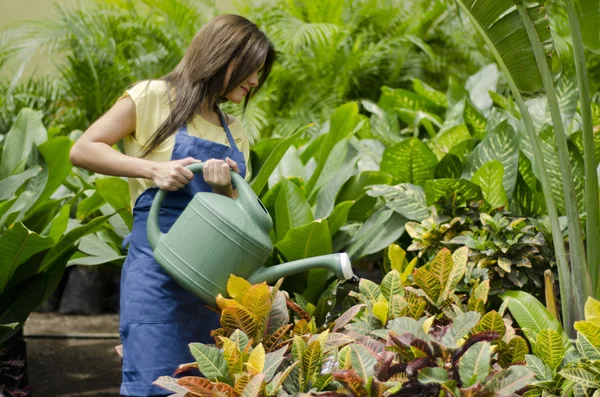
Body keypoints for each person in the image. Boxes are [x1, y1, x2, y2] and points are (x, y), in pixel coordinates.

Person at [70, 14, 275, 397]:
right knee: (153, 382)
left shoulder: (237, 130)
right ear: (224, 57)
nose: (256, 82)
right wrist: (154, 170)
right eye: (252, 69)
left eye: (261, 73)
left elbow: (235, 217)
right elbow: (83, 149)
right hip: (156, 275)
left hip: (211, 283)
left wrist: (222, 191)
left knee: (205, 386)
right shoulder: (151, 97)